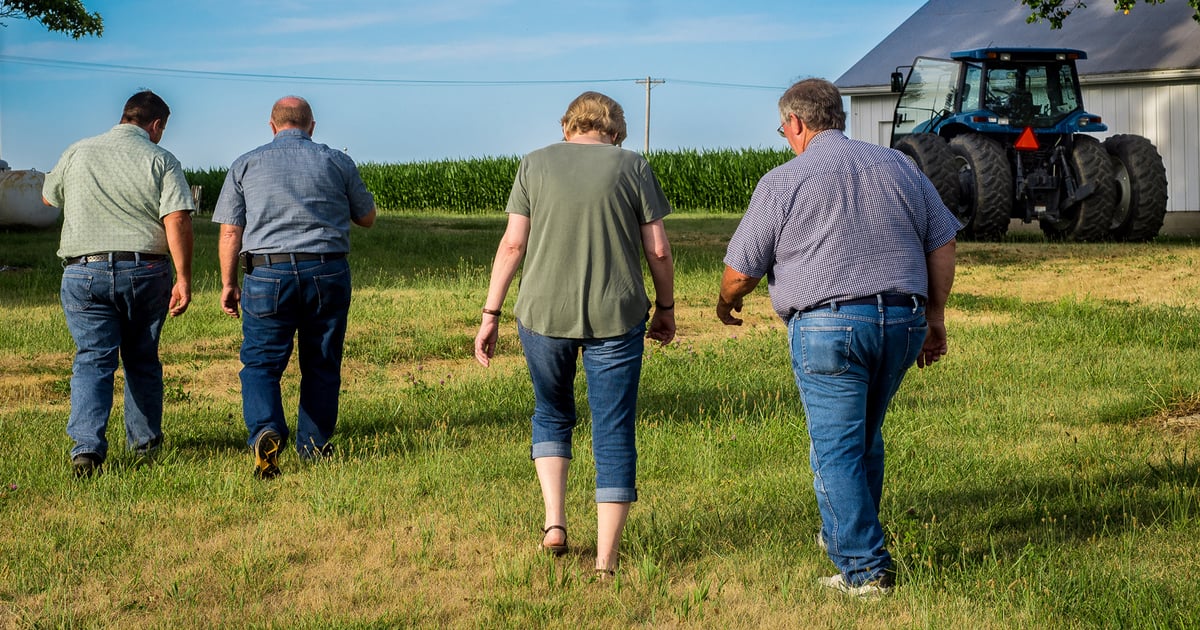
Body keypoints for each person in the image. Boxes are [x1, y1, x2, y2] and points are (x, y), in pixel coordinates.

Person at [716, 78, 960, 598]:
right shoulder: (901, 167)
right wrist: (935, 317)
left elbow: (740, 270)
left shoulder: (783, 181)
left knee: (836, 449)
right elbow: (942, 239)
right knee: (864, 440)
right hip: (903, 321)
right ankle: (843, 538)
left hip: (829, 326)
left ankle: (865, 570)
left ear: (798, 124)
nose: (784, 136)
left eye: (783, 127)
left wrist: (727, 302)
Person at [473, 91, 676, 578]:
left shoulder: (534, 164)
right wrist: (666, 308)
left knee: (551, 412)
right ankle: (606, 561)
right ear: (615, 130)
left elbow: (513, 243)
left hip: (542, 315)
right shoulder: (632, 166)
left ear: (568, 127)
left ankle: (555, 525)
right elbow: (660, 251)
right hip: (617, 315)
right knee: (613, 429)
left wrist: (490, 313)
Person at [213, 96, 376, 479]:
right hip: (326, 271)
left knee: (261, 364)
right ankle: (315, 446)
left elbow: (230, 231)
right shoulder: (337, 161)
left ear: (272, 126)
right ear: (312, 126)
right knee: (321, 362)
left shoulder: (245, 163)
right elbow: (367, 217)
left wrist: (228, 283)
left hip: (266, 274)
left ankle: (266, 430)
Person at [42, 90, 195, 478]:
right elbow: (176, 219)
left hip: (82, 271)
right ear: (156, 125)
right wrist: (184, 277)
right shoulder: (160, 159)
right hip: (144, 271)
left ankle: (87, 451)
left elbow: (48, 198)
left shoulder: (78, 151)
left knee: (93, 359)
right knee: (141, 360)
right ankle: (144, 447)